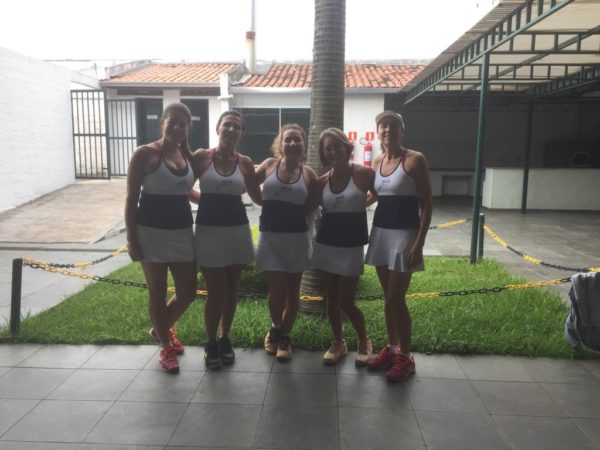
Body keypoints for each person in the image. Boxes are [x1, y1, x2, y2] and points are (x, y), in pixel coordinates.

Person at [124, 102, 197, 374]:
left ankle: (160, 328)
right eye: (172, 121)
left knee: (188, 292)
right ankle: (166, 345)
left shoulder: (187, 155)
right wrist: (132, 239)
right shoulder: (144, 154)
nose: (177, 127)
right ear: (162, 122)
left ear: (189, 127)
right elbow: (131, 199)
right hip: (150, 233)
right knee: (157, 289)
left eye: (182, 123)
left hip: (182, 232)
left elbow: (185, 190)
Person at [191, 110, 262, 370]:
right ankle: (210, 341)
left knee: (232, 289)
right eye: (227, 125)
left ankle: (224, 339)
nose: (231, 130)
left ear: (242, 133)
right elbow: (184, 185)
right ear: (218, 128)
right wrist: (208, 200)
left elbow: (257, 196)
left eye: (236, 127)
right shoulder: (202, 157)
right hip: (209, 230)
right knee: (216, 290)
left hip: (237, 230)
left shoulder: (245, 162)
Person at [365, 111, 433, 382]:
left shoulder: (415, 159)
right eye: (383, 125)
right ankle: (392, 349)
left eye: (393, 125)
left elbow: (427, 204)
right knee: (388, 297)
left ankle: (406, 356)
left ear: (401, 130)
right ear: (378, 131)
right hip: (381, 233)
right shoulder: (378, 161)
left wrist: (419, 242)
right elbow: (373, 196)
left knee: (396, 297)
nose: (387, 130)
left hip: (405, 235)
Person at [255, 124, 319, 362]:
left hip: (297, 239)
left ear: (303, 144)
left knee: (293, 291)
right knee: (275, 292)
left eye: (297, 140)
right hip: (270, 238)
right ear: (280, 144)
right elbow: (247, 184)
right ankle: (275, 327)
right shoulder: (268, 165)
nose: (292, 143)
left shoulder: (308, 174)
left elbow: (313, 203)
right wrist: (262, 202)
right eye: (288, 139)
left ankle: (285, 337)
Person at [310, 128, 374, 366]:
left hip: (351, 246)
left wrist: (361, 204)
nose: (333, 151)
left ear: (346, 147)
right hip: (326, 244)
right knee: (332, 299)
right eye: (327, 148)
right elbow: (308, 207)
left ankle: (364, 340)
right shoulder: (321, 182)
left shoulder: (364, 174)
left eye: (337, 146)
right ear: (323, 154)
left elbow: (382, 194)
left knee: (346, 300)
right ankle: (338, 342)